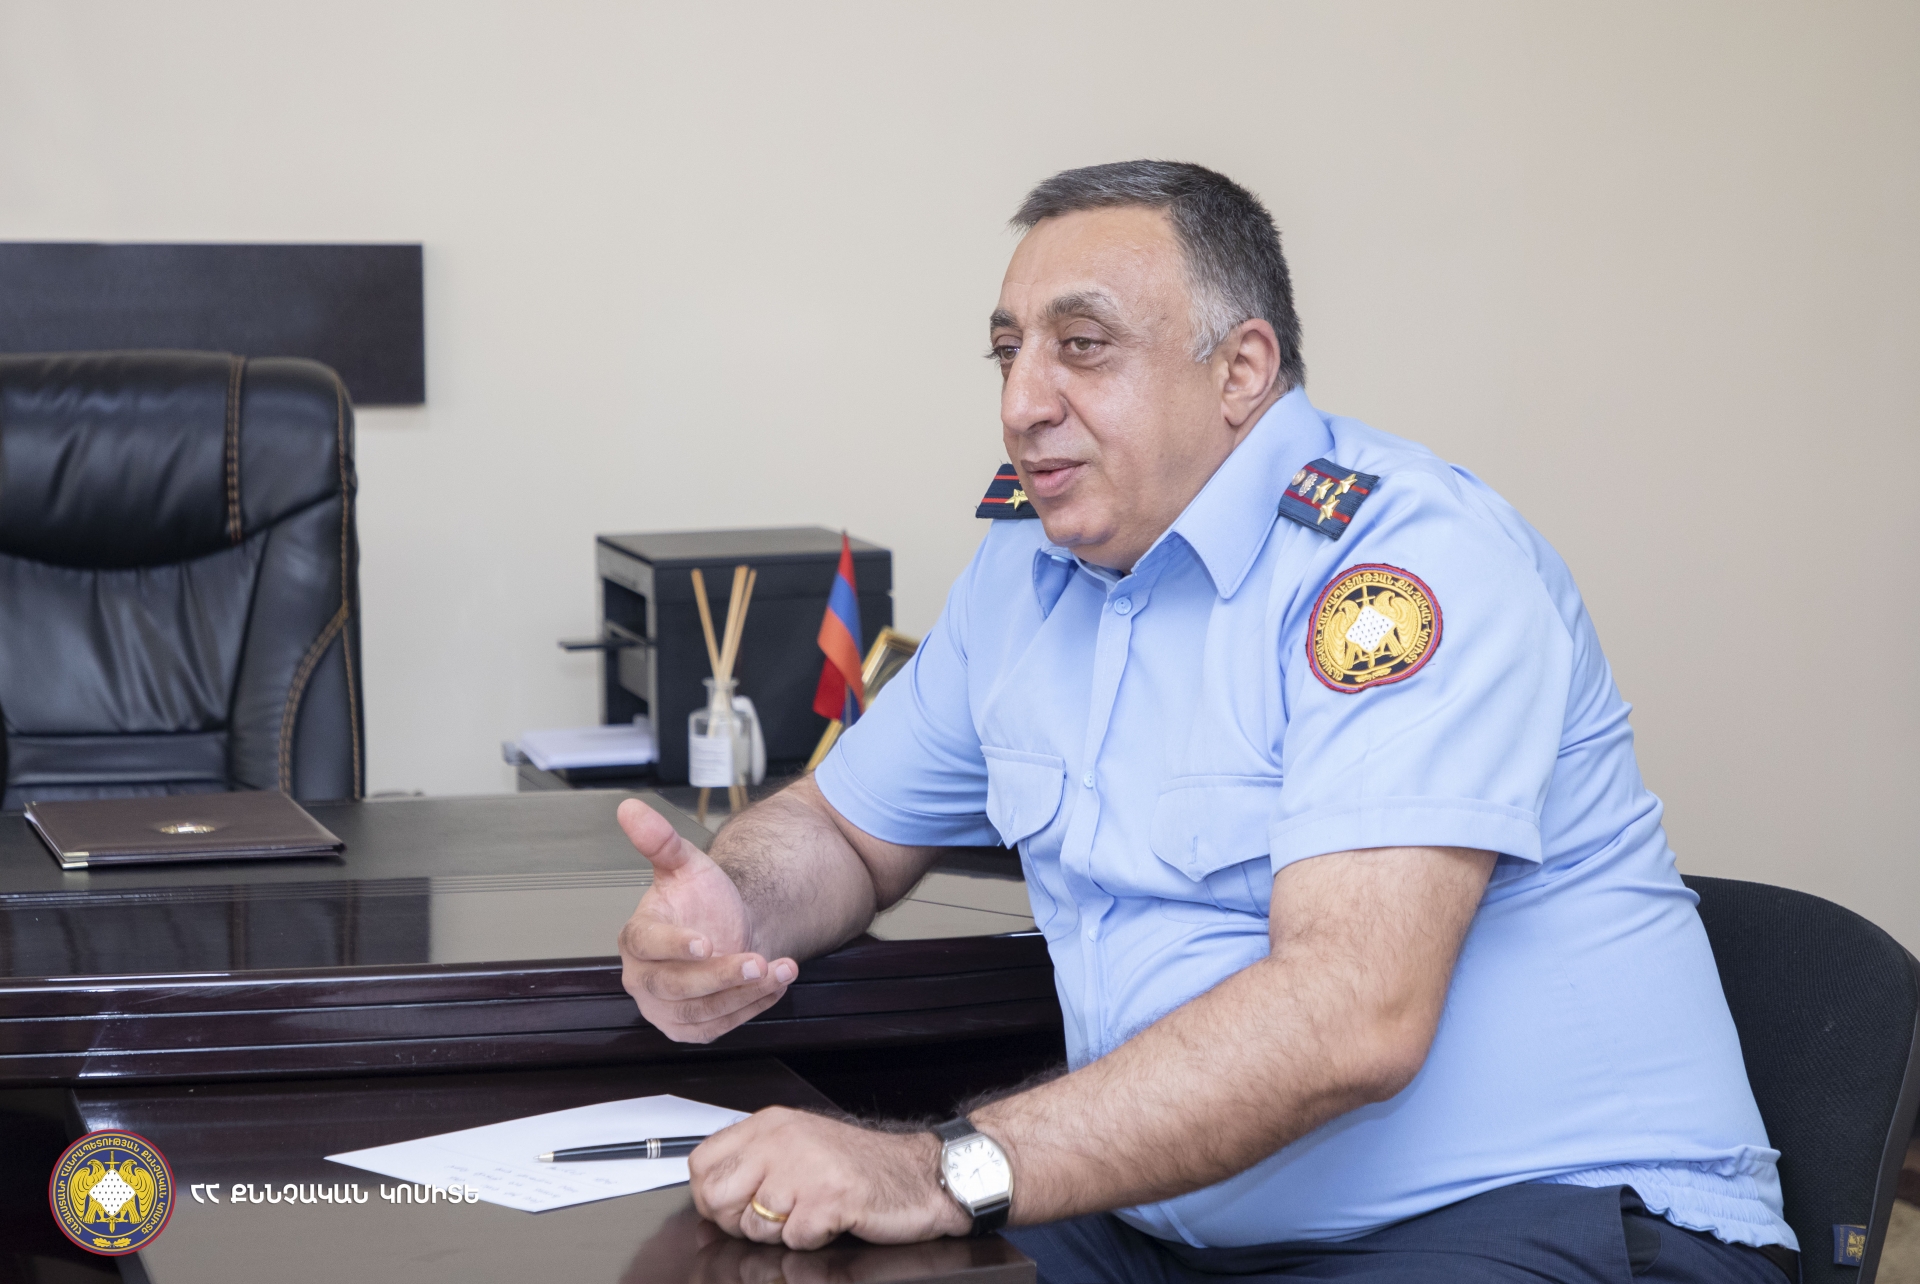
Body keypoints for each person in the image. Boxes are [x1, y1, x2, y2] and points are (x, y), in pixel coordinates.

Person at [613, 161, 1800, 1283]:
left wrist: (942, 1168)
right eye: (1009, 352)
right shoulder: (1027, 573)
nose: (1023, 403)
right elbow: (846, 829)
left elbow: (1354, 1014)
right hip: (1164, 1225)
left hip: (1538, 1214)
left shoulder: (1397, 568)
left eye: (1082, 347)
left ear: (1241, 371)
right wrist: (735, 909)